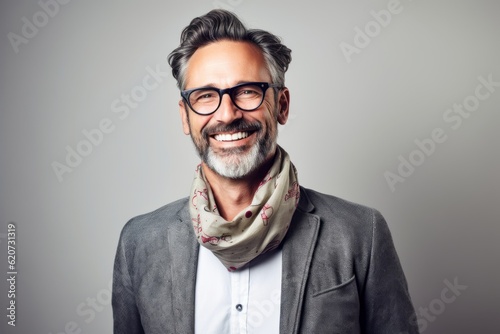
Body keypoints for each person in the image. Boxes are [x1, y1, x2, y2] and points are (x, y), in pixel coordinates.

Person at [112, 9, 418, 334]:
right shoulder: (140, 243)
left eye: (247, 91)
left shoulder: (359, 234)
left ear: (282, 105)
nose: (227, 114)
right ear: (186, 117)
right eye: (205, 96)